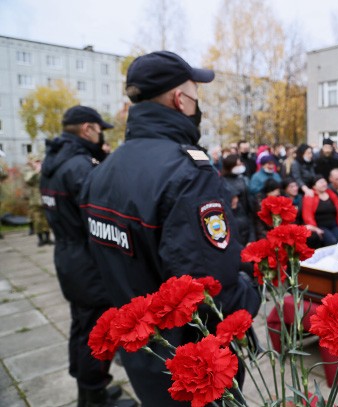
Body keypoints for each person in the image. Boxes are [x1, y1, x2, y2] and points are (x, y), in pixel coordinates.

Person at [80, 51, 261, 405]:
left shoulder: (102, 171)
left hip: (143, 354)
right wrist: (252, 287)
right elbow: (212, 289)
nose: (197, 105)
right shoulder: (188, 173)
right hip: (196, 368)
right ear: (180, 100)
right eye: (195, 95)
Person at [39, 106, 132, 407]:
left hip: (68, 255)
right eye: (100, 129)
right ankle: (94, 397)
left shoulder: (55, 162)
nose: (101, 135)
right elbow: (100, 216)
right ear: (88, 129)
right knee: (98, 331)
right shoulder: (80, 166)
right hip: (88, 261)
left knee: (82, 326)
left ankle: (90, 391)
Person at [302, 174, 338, 247]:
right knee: (332, 241)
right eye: (320, 182)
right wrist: (315, 229)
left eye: (324, 181)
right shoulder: (310, 196)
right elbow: (307, 216)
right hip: (320, 226)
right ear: (314, 186)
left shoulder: (330, 193)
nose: (323, 184)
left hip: (334, 225)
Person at [24, 153, 53, 246]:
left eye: (39, 161)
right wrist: (36, 171)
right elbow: (28, 180)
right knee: (37, 220)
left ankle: (48, 238)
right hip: (35, 200)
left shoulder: (43, 170)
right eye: (35, 161)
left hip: (45, 198)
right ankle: (40, 239)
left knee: (46, 219)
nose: (38, 163)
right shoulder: (28, 170)